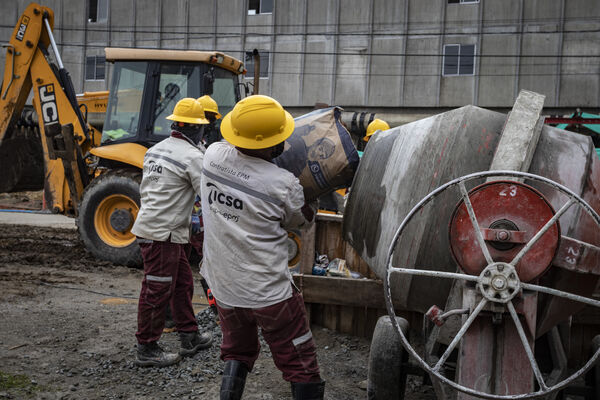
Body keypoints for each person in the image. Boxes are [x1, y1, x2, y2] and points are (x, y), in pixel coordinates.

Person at [200, 95, 325, 399]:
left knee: (237, 350)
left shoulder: (212, 155)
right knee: (300, 362)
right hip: (269, 295)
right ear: (276, 145)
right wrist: (314, 198)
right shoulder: (283, 184)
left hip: (224, 287)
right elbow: (302, 221)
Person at [131, 98, 213, 367]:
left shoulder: (155, 150)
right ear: (197, 130)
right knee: (156, 290)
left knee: (181, 285)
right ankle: (146, 348)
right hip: (161, 234)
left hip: (161, 230)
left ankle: (190, 336)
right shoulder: (192, 157)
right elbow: (208, 198)